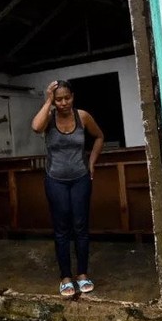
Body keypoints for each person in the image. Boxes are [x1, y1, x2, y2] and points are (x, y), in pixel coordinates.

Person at [31, 80, 104, 297]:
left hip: (81, 178)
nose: (63, 103)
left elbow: (99, 137)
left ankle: (82, 274)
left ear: (73, 96)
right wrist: (47, 100)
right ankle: (65, 277)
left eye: (67, 98)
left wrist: (91, 162)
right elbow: (36, 127)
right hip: (55, 181)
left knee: (80, 227)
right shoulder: (49, 119)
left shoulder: (83, 117)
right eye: (58, 99)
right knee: (62, 229)